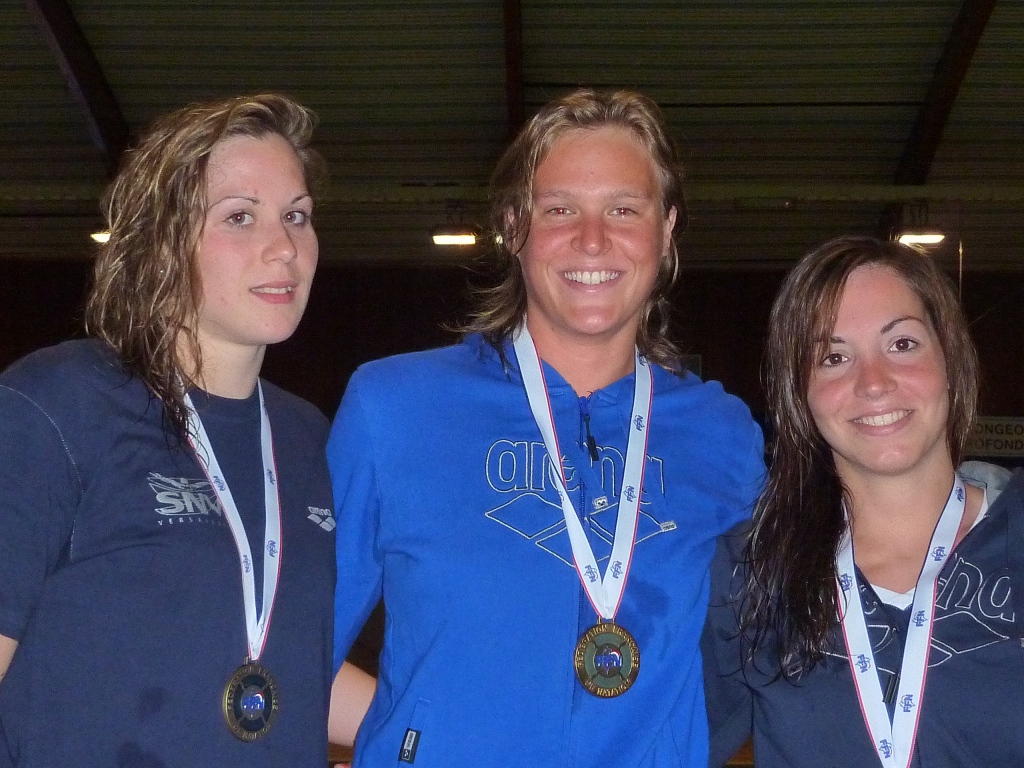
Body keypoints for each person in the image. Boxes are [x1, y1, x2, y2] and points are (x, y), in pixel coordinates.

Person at [328, 89, 764, 767]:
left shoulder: (722, 435)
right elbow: (290, 648)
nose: (592, 239)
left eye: (624, 209)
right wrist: (417, 735)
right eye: (559, 209)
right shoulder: (395, 408)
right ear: (513, 226)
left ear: (667, 229)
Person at [0, 93, 359, 765]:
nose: (284, 247)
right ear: (161, 241)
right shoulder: (57, 404)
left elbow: (285, 662)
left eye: (297, 216)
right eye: (240, 216)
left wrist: (474, 729)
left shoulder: (306, 437)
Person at [703, 235, 1024, 767]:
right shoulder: (751, 572)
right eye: (834, 357)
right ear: (798, 391)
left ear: (950, 358)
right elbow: (664, 743)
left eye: (902, 344)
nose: (873, 383)